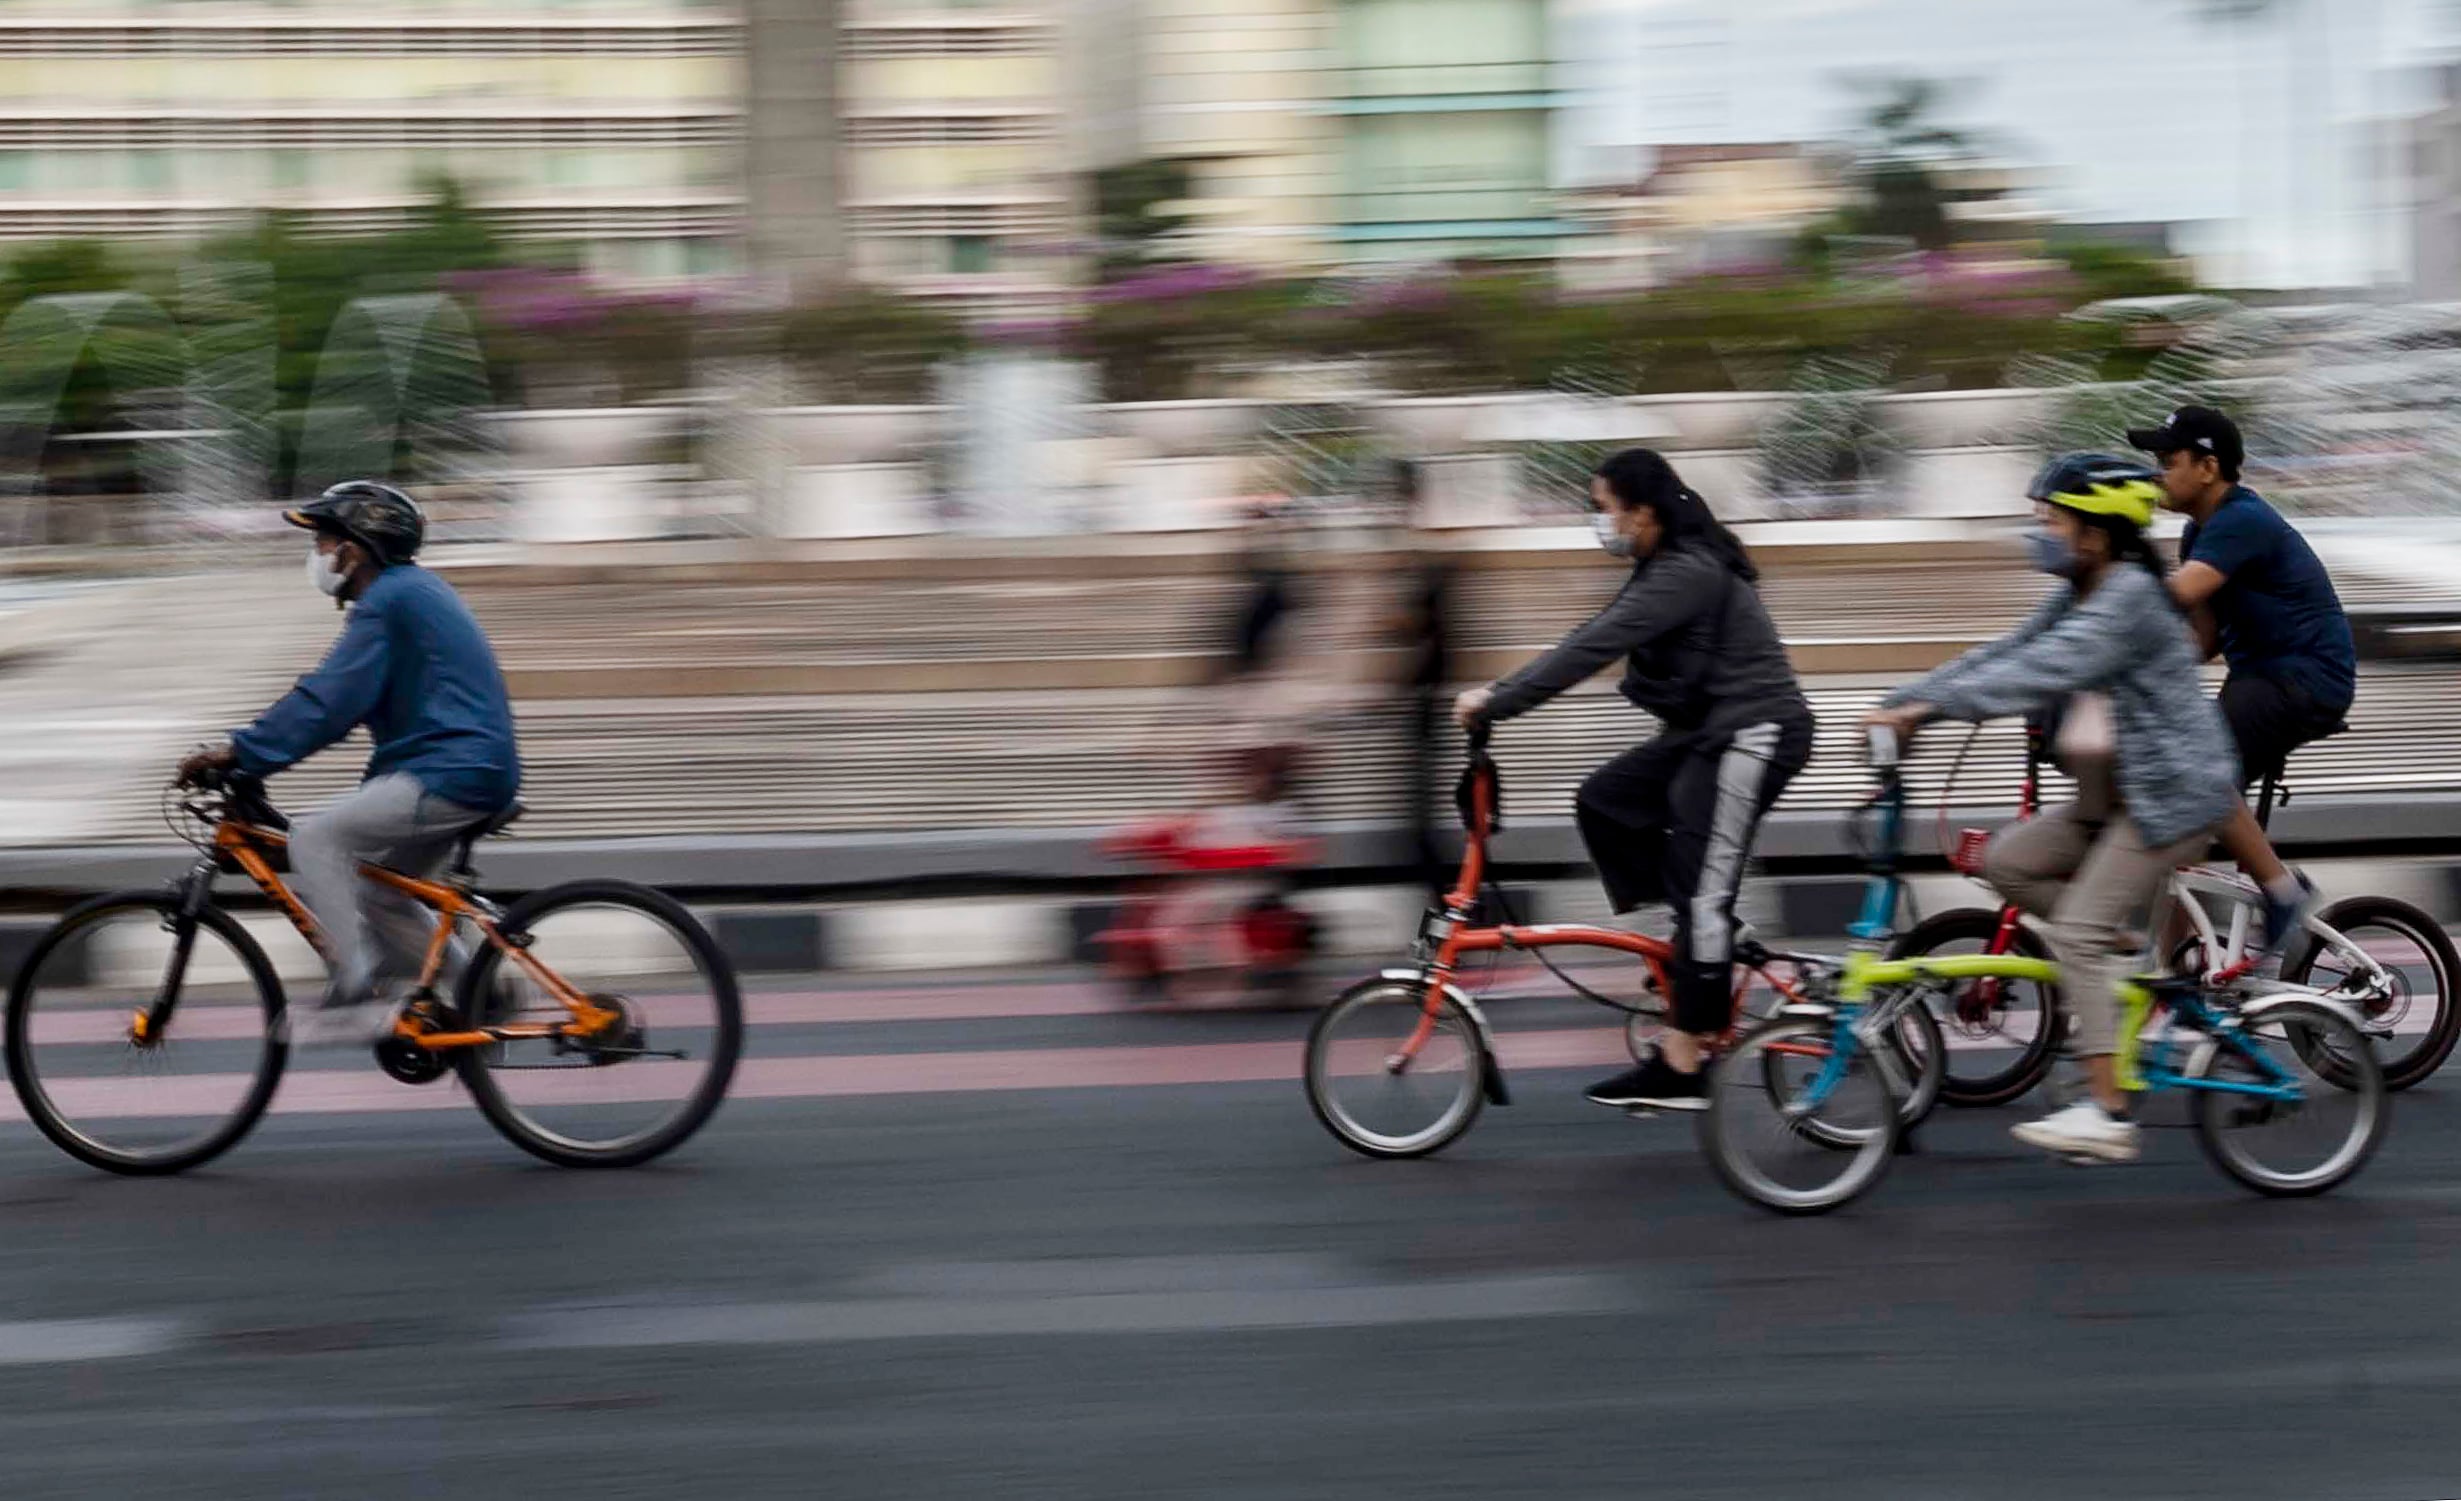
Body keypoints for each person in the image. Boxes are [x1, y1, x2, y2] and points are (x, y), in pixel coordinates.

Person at [1864, 453, 2239, 1163]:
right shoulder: (2079, 590)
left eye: (2050, 520)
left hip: (2172, 799)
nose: (2039, 532)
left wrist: (1927, 709)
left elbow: (2044, 669)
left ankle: (2105, 1109)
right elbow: (2003, 652)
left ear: (2094, 533)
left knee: (2074, 930)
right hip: (2115, 801)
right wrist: (1900, 701)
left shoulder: (2127, 595)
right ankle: (2113, 954)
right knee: (2007, 861)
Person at [1454, 448, 1813, 1111]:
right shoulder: (1661, 568)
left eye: (1602, 509)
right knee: (1605, 799)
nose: (1599, 523)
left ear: (1641, 512)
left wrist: (1496, 699)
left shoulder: (1686, 572)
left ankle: (1685, 1057)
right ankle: (1694, 947)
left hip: (1752, 732)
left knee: (1703, 896)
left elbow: (1592, 646)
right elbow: (1594, 633)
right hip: (1704, 733)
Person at [177, 482, 522, 1044]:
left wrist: (241, 751)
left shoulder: (389, 601)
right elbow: (341, 703)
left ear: (353, 551)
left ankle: (354, 989)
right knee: (383, 891)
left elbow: (330, 700)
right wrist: (255, 760)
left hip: (452, 771)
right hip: (464, 766)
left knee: (314, 840)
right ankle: (483, 993)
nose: (316, 555)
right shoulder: (409, 594)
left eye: (323, 542)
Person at [2126, 405, 2354, 950]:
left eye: (2168, 460)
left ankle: (2282, 892)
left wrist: (2108, 625)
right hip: (2259, 680)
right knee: (2185, 810)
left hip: (2301, 678)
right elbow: (2203, 641)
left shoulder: (2241, 519)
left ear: (2208, 468)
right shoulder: (2197, 533)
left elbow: (2178, 596)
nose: (2158, 472)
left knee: (2199, 770)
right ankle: (2175, 964)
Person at [1383, 459, 1457, 896]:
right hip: (1420, 701)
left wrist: (1394, 620)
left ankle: (1447, 908)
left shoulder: (1427, 557)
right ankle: (1444, 905)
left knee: (1421, 819)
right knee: (1418, 820)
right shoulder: (1418, 554)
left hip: (1425, 702)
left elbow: (1426, 628)